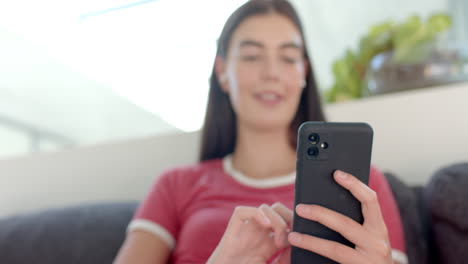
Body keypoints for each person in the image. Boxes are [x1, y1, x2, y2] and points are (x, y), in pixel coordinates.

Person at [114, 0, 407, 263]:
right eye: (253, 56)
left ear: (303, 73)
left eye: (288, 58)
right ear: (222, 72)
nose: (272, 73)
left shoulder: (363, 185)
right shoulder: (175, 185)